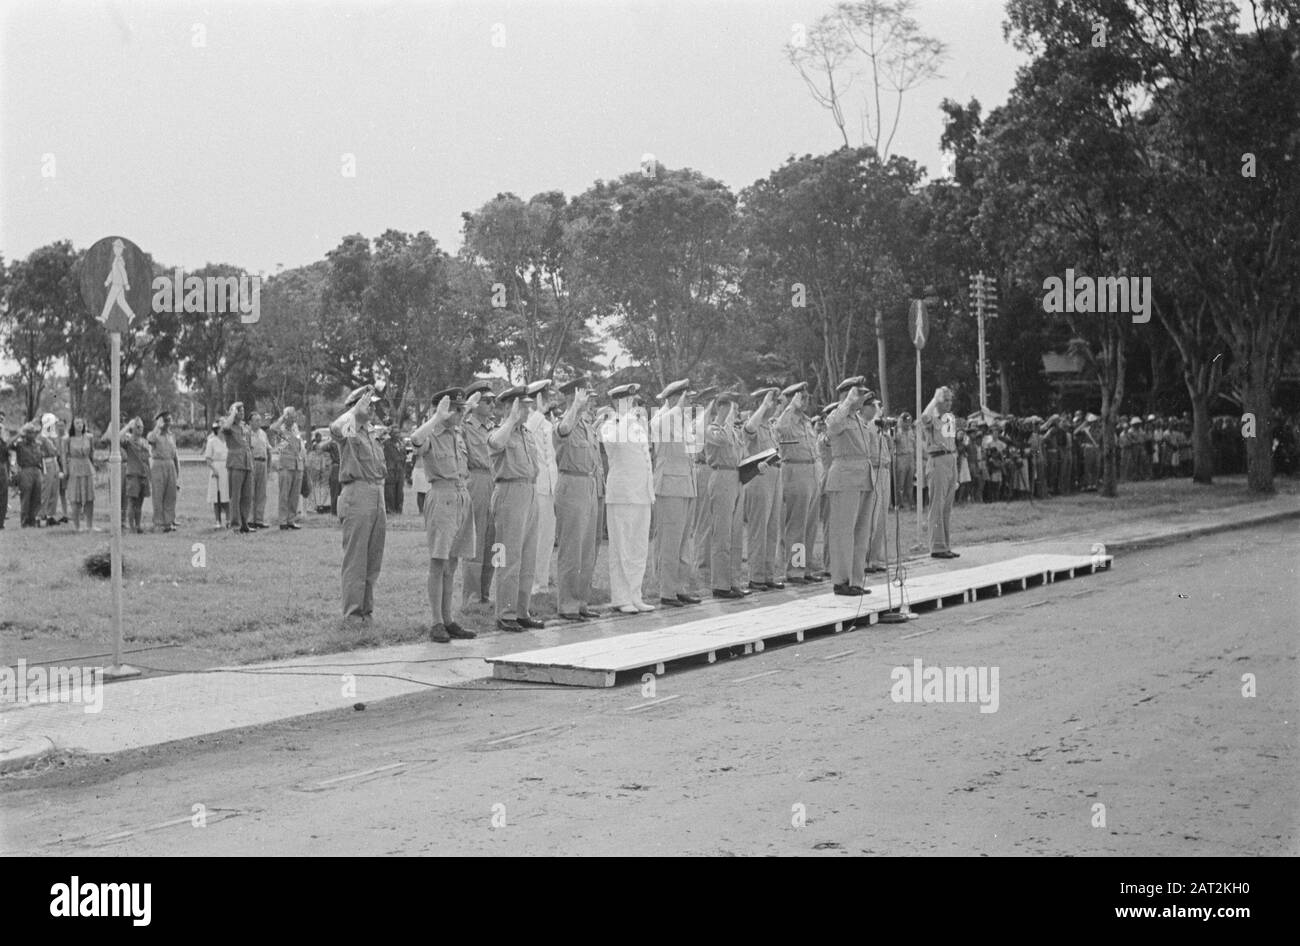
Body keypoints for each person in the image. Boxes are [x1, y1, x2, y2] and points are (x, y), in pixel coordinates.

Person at [411, 388, 481, 643]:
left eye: (462, 409)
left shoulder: (456, 434)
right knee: (438, 562)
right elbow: (416, 440)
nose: (461, 414)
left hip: (461, 497)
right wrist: (437, 418)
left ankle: (448, 619)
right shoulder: (433, 433)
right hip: (442, 497)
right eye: (457, 409)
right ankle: (436, 622)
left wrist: (468, 407)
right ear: (443, 410)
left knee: (452, 564)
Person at [488, 384, 545, 632]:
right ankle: (505, 612)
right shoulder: (500, 430)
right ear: (509, 406)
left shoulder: (525, 433)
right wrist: (510, 419)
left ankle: (522, 610)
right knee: (506, 556)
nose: (526, 410)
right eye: (521, 406)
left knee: (527, 556)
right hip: (509, 492)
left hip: (529, 491)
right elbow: (495, 444)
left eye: (528, 406)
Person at [330, 385, 388, 624]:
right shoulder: (351, 428)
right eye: (368, 404)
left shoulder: (372, 432)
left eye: (373, 404)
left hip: (377, 492)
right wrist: (355, 411)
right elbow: (335, 429)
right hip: (357, 491)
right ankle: (353, 614)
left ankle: (366, 610)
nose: (372, 408)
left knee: (373, 557)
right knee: (356, 558)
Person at [601, 383, 655, 614]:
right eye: (627, 401)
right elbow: (615, 444)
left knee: (638, 547)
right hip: (622, 494)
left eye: (633, 401)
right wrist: (626, 418)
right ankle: (621, 597)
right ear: (617, 402)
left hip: (641, 492)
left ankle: (635, 594)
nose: (632, 405)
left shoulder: (637, 425)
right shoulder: (610, 425)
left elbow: (646, 458)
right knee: (621, 547)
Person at [553, 377, 603, 621]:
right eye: (586, 396)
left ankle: (581, 601)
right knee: (572, 548)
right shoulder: (566, 421)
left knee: (587, 548)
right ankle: (568, 604)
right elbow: (563, 430)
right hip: (571, 484)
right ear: (574, 397)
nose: (591, 401)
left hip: (589, 484)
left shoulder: (586, 424)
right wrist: (575, 407)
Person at [649, 379, 702, 608]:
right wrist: (677, 407)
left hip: (686, 485)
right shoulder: (661, 418)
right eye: (686, 398)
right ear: (674, 397)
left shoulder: (681, 420)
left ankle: (679, 587)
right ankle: (666, 590)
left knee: (683, 541)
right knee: (669, 541)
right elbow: (658, 428)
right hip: (669, 486)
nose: (689, 402)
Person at [825, 378, 874, 595]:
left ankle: (856, 579)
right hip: (845, 476)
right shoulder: (840, 414)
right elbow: (833, 425)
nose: (862, 398)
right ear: (847, 394)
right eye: (858, 393)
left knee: (861, 532)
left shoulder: (857, 418)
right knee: (843, 532)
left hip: (862, 476)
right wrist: (847, 402)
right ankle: (840, 580)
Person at [703, 391, 748, 598]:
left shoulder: (734, 430)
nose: (736, 412)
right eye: (733, 408)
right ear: (721, 408)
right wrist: (728, 419)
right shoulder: (712, 428)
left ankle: (734, 581)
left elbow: (741, 455)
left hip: (737, 477)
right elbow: (722, 440)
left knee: (736, 534)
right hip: (721, 477)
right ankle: (720, 584)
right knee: (722, 534)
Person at [774, 383, 818, 584]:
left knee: (810, 525)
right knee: (797, 525)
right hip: (795, 471)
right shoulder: (786, 419)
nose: (806, 400)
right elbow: (780, 429)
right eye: (802, 397)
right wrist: (791, 407)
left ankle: (805, 567)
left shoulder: (806, 421)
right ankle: (795, 570)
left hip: (811, 470)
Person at [741, 388, 783, 591]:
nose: (775, 406)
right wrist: (764, 406)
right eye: (772, 402)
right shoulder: (755, 422)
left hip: (775, 476)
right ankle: (756, 577)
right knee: (759, 529)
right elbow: (748, 430)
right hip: (758, 478)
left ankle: (768, 574)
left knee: (772, 529)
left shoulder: (770, 427)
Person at [460, 380, 497, 605]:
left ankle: (486, 592)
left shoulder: (495, 426)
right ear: (474, 403)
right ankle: (473, 596)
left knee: (494, 541)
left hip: (497, 480)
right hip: (478, 480)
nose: (493, 404)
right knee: (477, 539)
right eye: (487, 401)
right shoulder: (465, 426)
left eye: (494, 400)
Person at [527, 382, 559, 595]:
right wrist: (538, 410)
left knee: (547, 536)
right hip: (536, 486)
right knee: (534, 537)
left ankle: (542, 580)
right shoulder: (530, 421)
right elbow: (529, 431)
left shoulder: (547, 423)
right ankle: (532, 583)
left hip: (550, 487)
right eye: (544, 397)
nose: (549, 400)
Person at [920, 386, 959, 559]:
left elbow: (950, 440)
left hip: (950, 458)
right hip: (937, 459)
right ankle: (936, 546)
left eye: (950, 400)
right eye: (945, 400)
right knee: (937, 504)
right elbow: (924, 417)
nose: (949, 403)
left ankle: (945, 544)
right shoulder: (932, 416)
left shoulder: (950, 418)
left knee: (947, 506)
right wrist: (935, 399)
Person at [864, 398, 891, 574]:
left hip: (884, 469)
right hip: (874, 469)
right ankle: (866, 559)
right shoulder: (870, 426)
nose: (880, 409)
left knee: (882, 518)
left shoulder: (882, 427)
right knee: (872, 517)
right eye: (876, 406)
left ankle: (875, 558)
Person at [268, 407, 306, 529]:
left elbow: (299, 444)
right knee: (284, 494)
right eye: (291, 416)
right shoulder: (281, 428)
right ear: (286, 416)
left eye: (295, 416)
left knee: (295, 495)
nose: (294, 418)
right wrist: (283, 418)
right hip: (285, 465)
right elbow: (272, 428)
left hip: (297, 464)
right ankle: (283, 521)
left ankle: (291, 519)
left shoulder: (295, 428)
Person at [220, 401, 254, 533]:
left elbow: (248, 445)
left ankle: (244, 523)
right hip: (235, 463)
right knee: (235, 495)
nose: (242, 413)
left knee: (247, 495)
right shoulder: (229, 425)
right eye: (239, 411)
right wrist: (232, 412)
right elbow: (225, 428)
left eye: (243, 410)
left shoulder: (244, 427)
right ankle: (235, 524)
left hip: (247, 463)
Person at [62, 418, 97, 532]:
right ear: (73, 425)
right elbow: (63, 455)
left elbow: (92, 453)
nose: (79, 425)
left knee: (89, 497)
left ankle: (89, 525)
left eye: (81, 423)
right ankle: (77, 526)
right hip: (74, 467)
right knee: (75, 497)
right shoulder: (67, 439)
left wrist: (93, 466)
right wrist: (65, 470)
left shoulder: (89, 437)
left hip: (87, 466)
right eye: (77, 423)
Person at [147, 411, 180, 531]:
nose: (168, 423)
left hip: (170, 464)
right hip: (158, 464)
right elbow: (150, 440)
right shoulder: (154, 434)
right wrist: (157, 426)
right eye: (165, 420)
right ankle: (159, 523)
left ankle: (169, 522)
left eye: (169, 420)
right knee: (158, 494)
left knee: (171, 495)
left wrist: (177, 472)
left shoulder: (171, 435)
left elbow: (175, 454)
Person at [120, 417, 151, 533]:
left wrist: (150, 476)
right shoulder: (128, 441)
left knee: (140, 502)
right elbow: (115, 438)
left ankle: (138, 526)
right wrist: (128, 426)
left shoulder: (144, 441)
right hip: (133, 474)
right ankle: (131, 526)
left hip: (143, 475)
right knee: (132, 501)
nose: (140, 429)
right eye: (137, 427)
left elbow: (147, 459)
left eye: (141, 427)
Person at [14, 421, 44, 527]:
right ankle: (24, 521)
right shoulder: (19, 444)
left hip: (37, 470)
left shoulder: (38, 444)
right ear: (25, 433)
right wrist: (19, 433)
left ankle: (33, 520)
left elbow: (42, 458)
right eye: (30, 432)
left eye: (33, 432)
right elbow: (7, 445)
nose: (32, 434)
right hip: (25, 470)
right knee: (26, 496)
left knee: (37, 497)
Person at [246, 412, 271, 528]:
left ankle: (259, 520)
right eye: (256, 420)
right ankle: (250, 519)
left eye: (259, 420)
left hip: (263, 463)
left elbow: (268, 450)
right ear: (250, 422)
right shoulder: (247, 433)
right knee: (251, 492)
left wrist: (269, 466)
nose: (258, 422)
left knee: (262, 493)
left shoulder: (263, 434)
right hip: (252, 463)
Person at [202, 422, 229, 528]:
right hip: (216, 469)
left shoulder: (228, 440)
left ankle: (228, 519)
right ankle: (217, 520)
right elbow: (208, 458)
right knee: (216, 496)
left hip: (226, 469)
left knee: (227, 495)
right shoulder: (211, 441)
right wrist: (214, 470)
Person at [38, 413, 62, 527]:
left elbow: (56, 451)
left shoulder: (52, 436)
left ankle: (50, 515)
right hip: (46, 463)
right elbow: (51, 451)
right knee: (46, 491)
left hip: (54, 462)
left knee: (54, 490)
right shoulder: (41, 437)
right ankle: (41, 515)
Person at [382, 429, 405, 515]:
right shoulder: (386, 444)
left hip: (400, 470)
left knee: (399, 491)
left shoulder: (401, 443)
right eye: (395, 433)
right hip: (390, 469)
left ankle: (398, 509)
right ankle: (390, 509)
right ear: (391, 434)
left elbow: (404, 455)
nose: (397, 434)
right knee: (389, 491)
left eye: (398, 432)